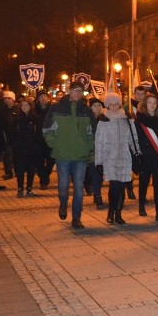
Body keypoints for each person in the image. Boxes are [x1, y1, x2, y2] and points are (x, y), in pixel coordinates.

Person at [42, 80, 95, 229]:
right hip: (63, 154)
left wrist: (89, 147)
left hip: (80, 156)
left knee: (79, 187)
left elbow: (92, 132)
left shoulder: (86, 110)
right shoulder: (56, 108)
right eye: (75, 90)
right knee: (63, 186)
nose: (78, 93)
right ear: (69, 91)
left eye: (80, 91)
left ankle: (76, 217)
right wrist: (54, 144)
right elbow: (47, 129)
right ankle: (63, 204)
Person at [94, 93, 138, 225]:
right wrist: (99, 161)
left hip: (124, 157)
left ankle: (118, 213)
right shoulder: (103, 120)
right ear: (107, 105)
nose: (113, 107)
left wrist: (137, 153)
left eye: (116, 104)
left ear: (120, 105)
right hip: (110, 158)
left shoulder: (127, 119)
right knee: (114, 186)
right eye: (111, 104)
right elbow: (99, 142)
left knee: (122, 186)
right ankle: (111, 211)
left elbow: (133, 139)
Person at [135, 93, 158, 221]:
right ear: (144, 104)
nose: (152, 105)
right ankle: (141, 205)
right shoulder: (140, 120)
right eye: (150, 102)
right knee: (143, 183)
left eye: (155, 103)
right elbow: (137, 139)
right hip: (145, 156)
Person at [12, 98, 46, 197]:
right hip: (19, 148)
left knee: (31, 169)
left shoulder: (35, 118)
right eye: (22, 105)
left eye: (26, 105)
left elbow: (39, 134)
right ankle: (20, 188)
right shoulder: (17, 118)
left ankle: (29, 188)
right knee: (20, 169)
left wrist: (37, 146)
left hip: (32, 148)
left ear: (30, 107)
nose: (24, 107)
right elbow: (13, 133)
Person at [34, 92, 55, 189]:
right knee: (38, 161)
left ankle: (45, 176)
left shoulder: (52, 109)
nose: (43, 98)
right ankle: (43, 180)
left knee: (51, 160)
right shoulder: (34, 109)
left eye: (45, 96)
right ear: (38, 99)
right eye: (41, 97)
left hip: (50, 138)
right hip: (38, 139)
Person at [1, 90, 17, 180]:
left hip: (15, 136)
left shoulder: (17, 109)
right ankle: (8, 172)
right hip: (6, 136)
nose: (7, 100)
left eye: (9, 98)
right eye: (6, 99)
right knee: (7, 155)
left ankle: (18, 170)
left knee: (16, 155)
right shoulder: (3, 110)